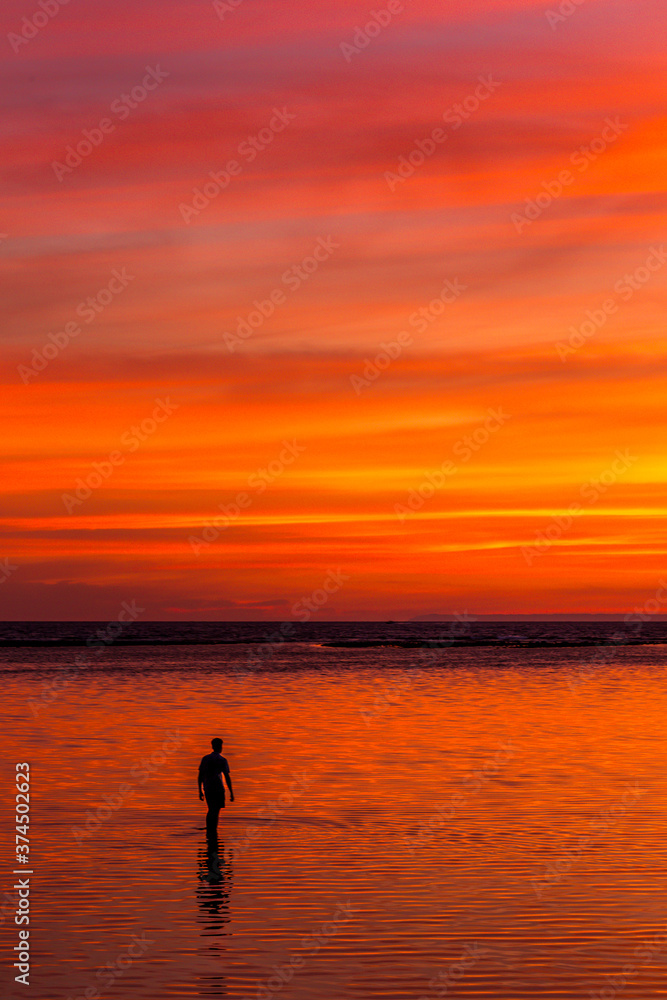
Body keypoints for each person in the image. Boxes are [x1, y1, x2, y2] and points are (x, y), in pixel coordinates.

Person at [198, 737, 234, 836]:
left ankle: (210, 829)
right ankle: (213, 830)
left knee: (211, 809)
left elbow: (200, 775)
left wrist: (200, 790)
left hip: (208, 788)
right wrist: (231, 792)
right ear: (219, 747)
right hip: (218, 788)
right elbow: (227, 777)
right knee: (216, 810)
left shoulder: (206, 759)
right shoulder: (222, 760)